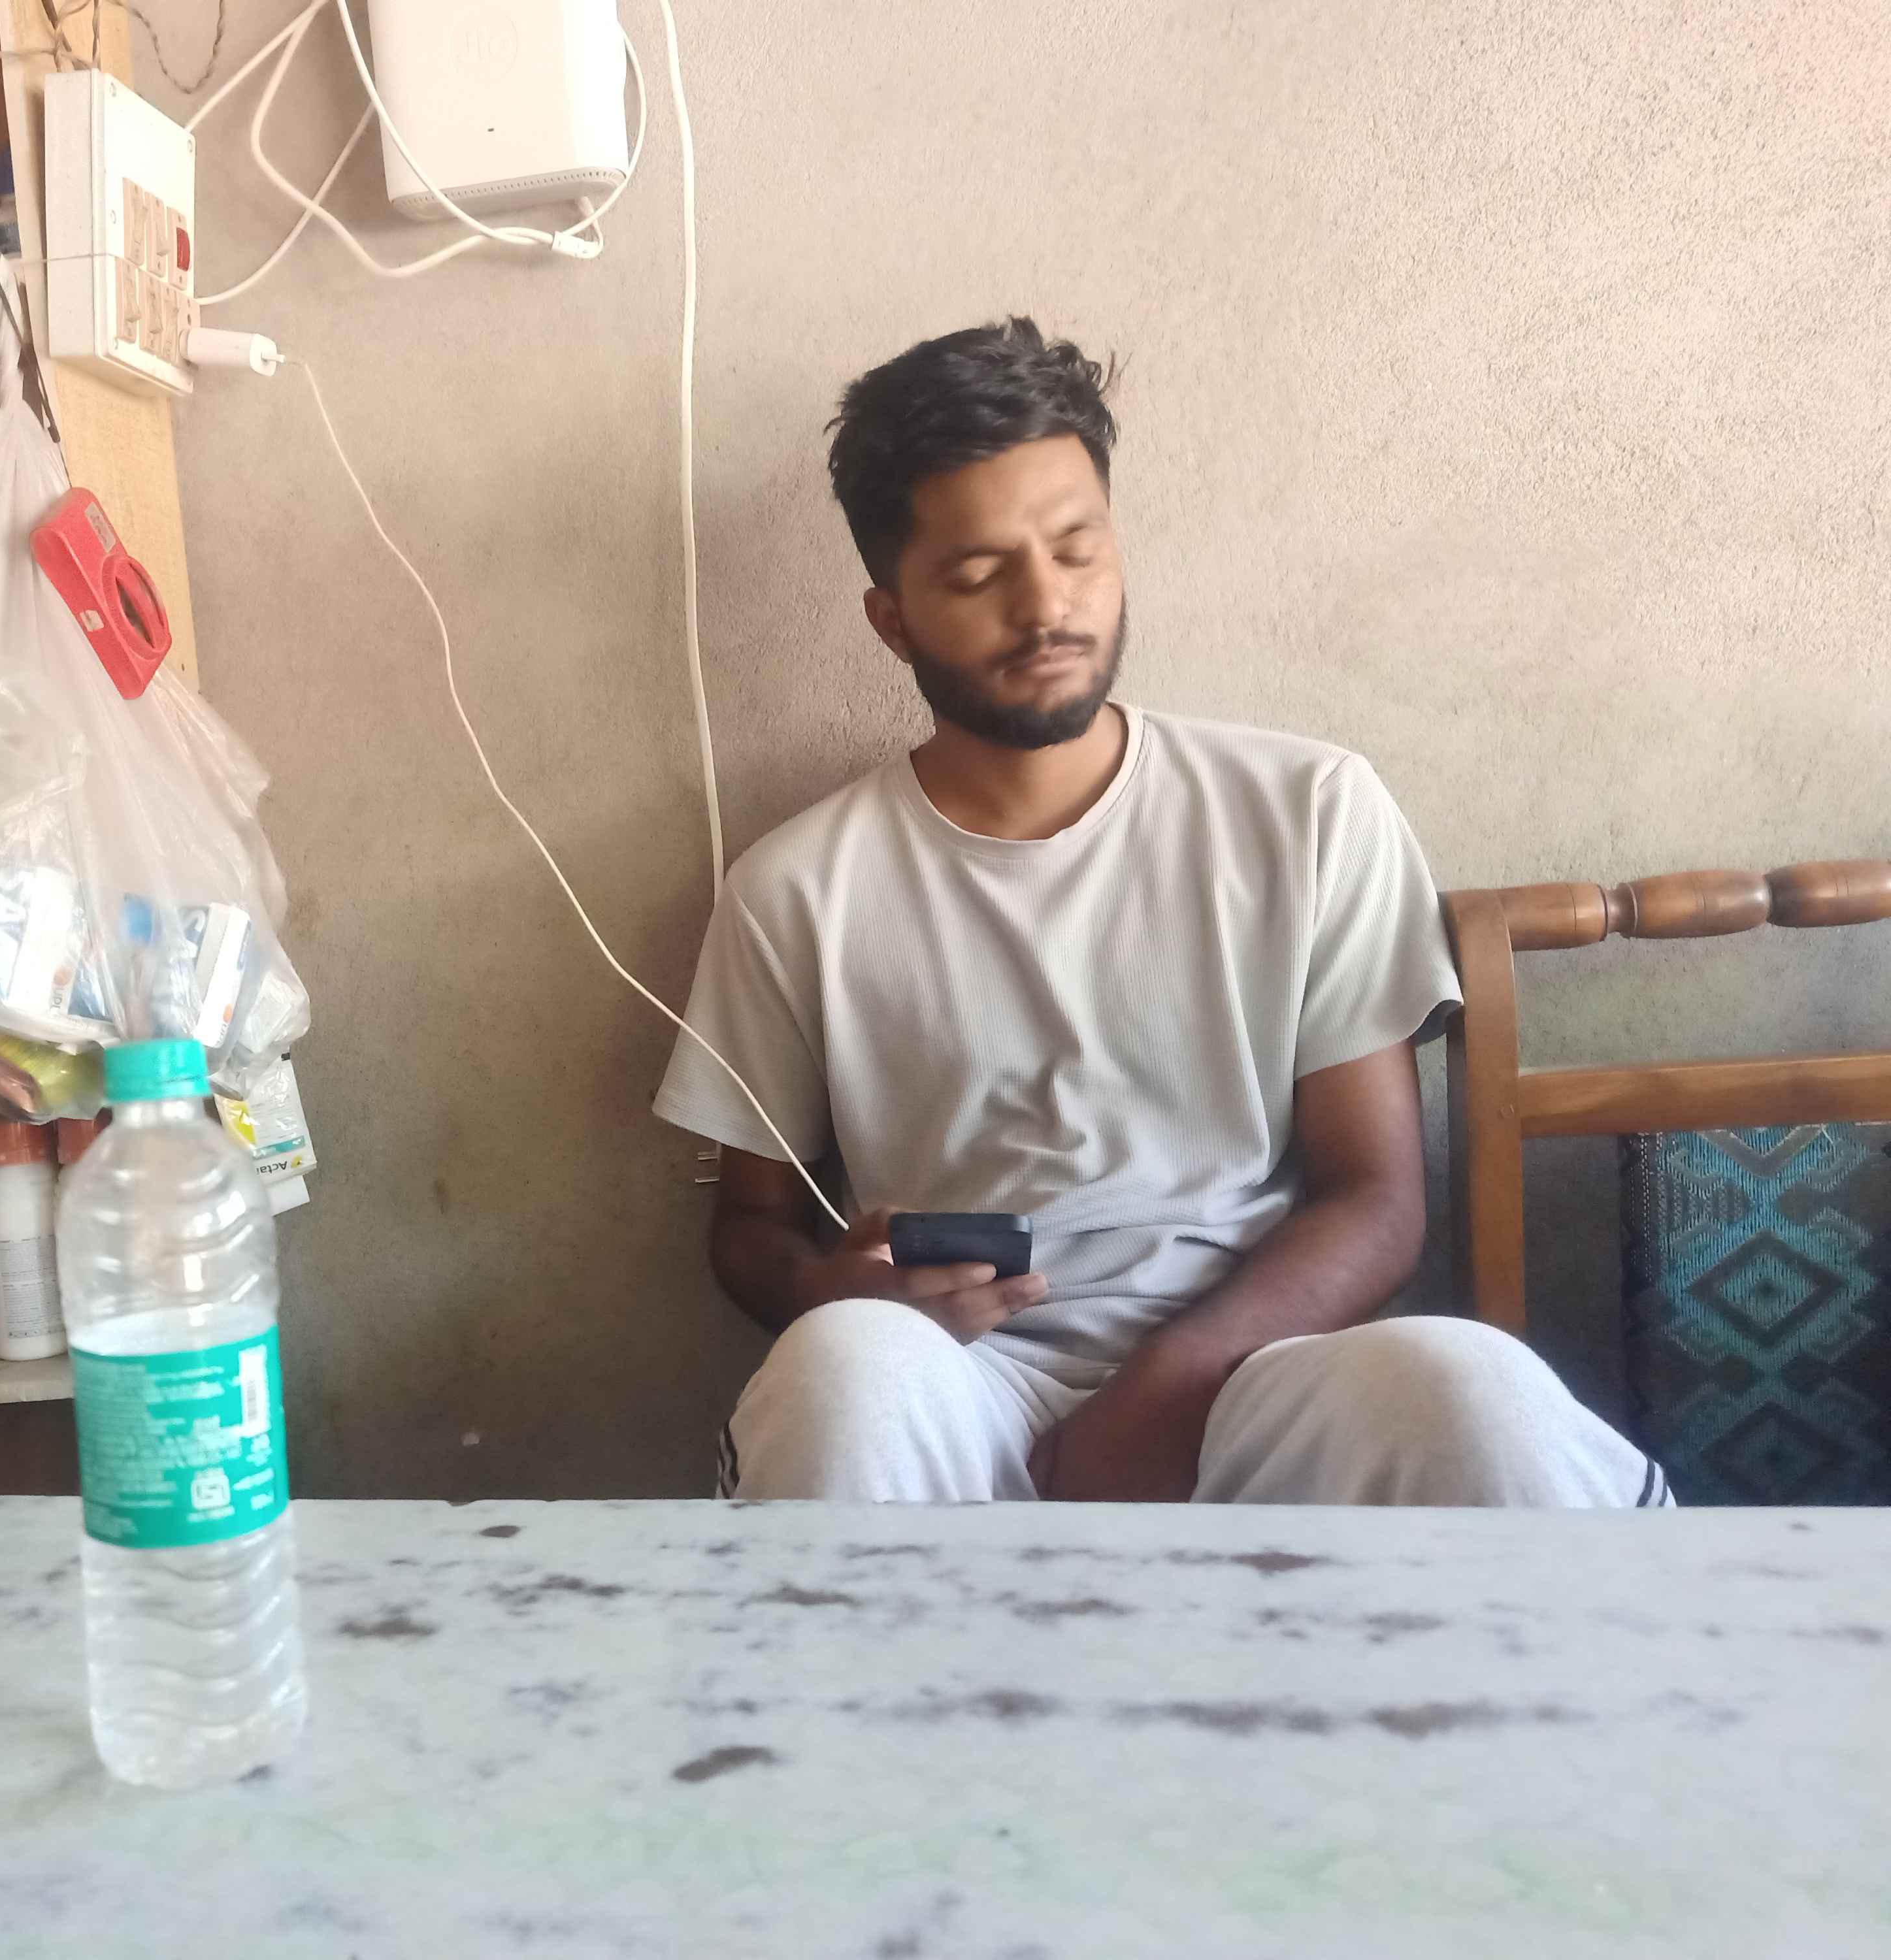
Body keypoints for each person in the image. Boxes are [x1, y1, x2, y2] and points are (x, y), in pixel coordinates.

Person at [654, 318, 1668, 1507]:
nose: (1046, 606)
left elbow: (1378, 1197)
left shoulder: (1307, 811)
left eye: (1076, 549)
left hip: (1258, 1369)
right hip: (960, 1384)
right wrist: (830, 1293)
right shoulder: (797, 889)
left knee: (1470, 1386)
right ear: (894, 620)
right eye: (978, 575)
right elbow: (753, 1224)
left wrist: (1170, 1386)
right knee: (840, 1370)